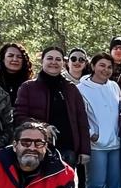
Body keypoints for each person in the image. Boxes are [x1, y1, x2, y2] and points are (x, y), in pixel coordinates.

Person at [15, 46, 91, 175]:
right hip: (38, 148)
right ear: (42, 61)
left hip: (68, 150)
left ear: (63, 63)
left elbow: (82, 120)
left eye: (58, 59)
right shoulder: (28, 87)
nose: (54, 62)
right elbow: (19, 116)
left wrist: (84, 150)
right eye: (49, 58)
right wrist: (43, 128)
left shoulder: (71, 88)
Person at [78, 52, 121, 188]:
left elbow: (120, 111)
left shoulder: (114, 86)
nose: (106, 70)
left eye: (109, 67)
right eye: (102, 65)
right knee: (96, 184)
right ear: (92, 66)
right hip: (96, 145)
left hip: (115, 143)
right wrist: (92, 134)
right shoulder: (81, 88)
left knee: (114, 184)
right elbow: (79, 116)